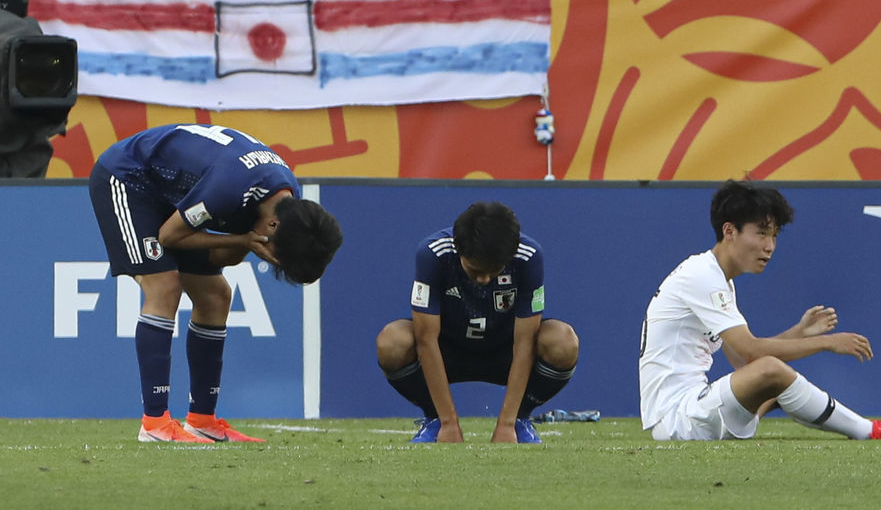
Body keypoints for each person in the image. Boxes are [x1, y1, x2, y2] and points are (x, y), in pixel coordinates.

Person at [88, 124, 344, 442]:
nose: (271, 259)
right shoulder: (231, 187)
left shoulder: (288, 205)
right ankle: (154, 423)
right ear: (273, 226)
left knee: (216, 295)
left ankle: (202, 420)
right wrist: (244, 240)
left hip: (175, 193)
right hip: (129, 178)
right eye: (275, 256)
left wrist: (244, 243)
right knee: (164, 286)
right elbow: (169, 236)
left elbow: (224, 258)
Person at [639, 180, 881, 442]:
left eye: (775, 235)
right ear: (729, 231)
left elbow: (740, 359)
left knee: (770, 378)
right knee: (770, 370)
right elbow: (752, 354)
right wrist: (828, 342)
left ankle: (860, 426)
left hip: (694, 413)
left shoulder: (718, 279)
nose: (770, 246)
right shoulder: (702, 276)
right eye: (762, 233)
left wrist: (798, 333)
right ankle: (870, 430)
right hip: (678, 419)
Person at [375, 201, 579, 444]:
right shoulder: (433, 254)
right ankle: (435, 420)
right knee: (392, 341)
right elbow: (426, 340)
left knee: (563, 341)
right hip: (446, 351)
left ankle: (520, 421)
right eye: (474, 271)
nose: (483, 279)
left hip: (506, 352)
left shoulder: (528, 257)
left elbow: (524, 343)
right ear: (459, 250)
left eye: (494, 272)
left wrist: (506, 424)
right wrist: (449, 423)